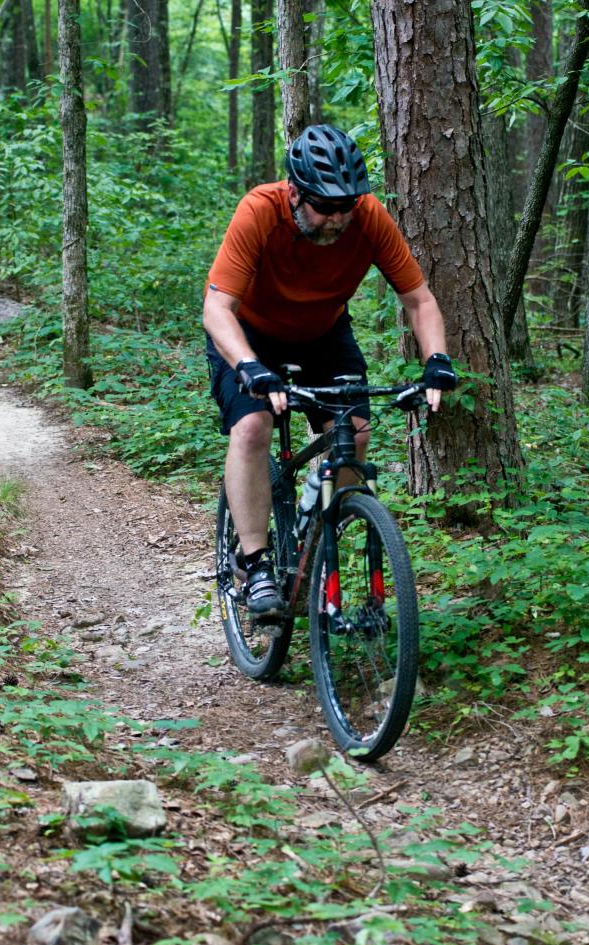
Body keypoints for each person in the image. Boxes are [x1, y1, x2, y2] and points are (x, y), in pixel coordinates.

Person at [203, 123, 457, 619]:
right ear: (295, 192)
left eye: (347, 206)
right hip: (249, 334)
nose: (338, 219)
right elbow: (217, 310)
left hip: (324, 332)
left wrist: (436, 361)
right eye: (325, 207)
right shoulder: (260, 210)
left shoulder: (368, 218)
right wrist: (252, 366)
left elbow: (419, 299)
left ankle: (322, 544)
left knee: (354, 435)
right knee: (253, 426)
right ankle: (254, 563)